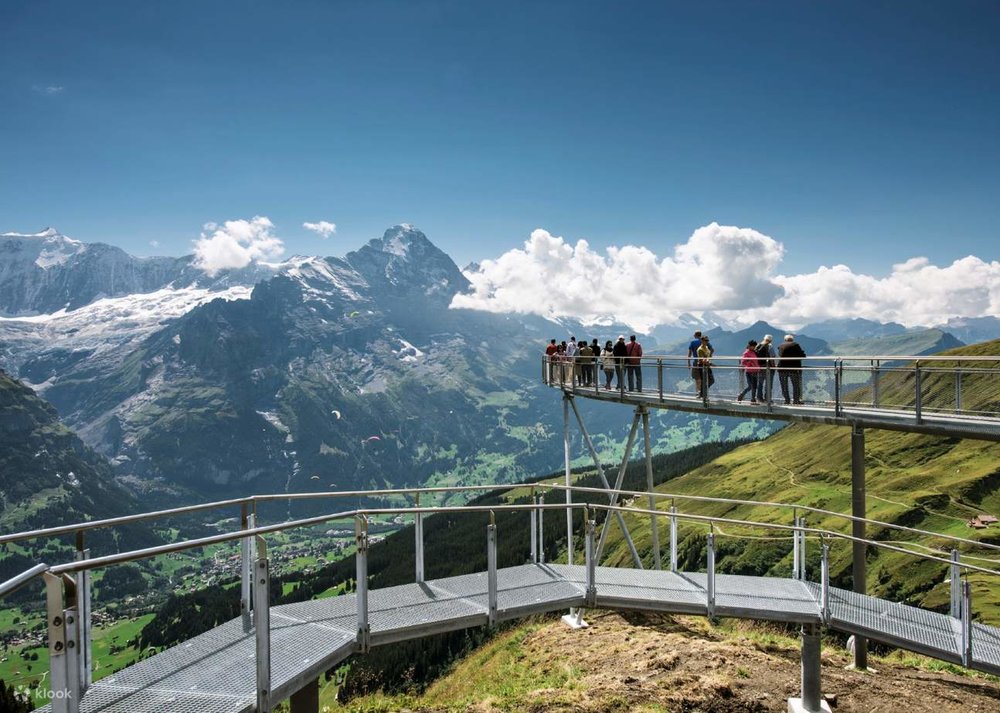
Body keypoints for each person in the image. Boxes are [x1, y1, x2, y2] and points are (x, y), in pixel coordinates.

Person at [778, 334, 807, 404]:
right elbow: (802, 355)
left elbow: (780, 355)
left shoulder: (780, 346)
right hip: (793, 368)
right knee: (796, 385)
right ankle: (796, 400)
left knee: (784, 385)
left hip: (782, 368)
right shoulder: (795, 345)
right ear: (792, 340)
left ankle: (786, 400)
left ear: (785, 340)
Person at [737, 340, 760, 404]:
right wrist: (750, 362)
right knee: (751, 386)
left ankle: (753, 399)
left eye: (755, 346)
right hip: (750, 371)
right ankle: (741, 394)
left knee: (755, 386)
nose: (754, 347)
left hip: (755, 371)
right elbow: (743, 362)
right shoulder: (746, 353)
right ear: (750, 346)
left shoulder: (754, 352)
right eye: (753, 346)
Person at [754, 334, 776, 402]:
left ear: (764, 338)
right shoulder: (769, 346)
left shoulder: (758, 345)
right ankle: (767, 398)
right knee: (768, 384)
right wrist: (773, 366)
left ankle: (759, 398)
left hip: (759, 366)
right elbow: (772, 357)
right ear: (771, 340)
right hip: (767, 366)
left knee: (760, 383)